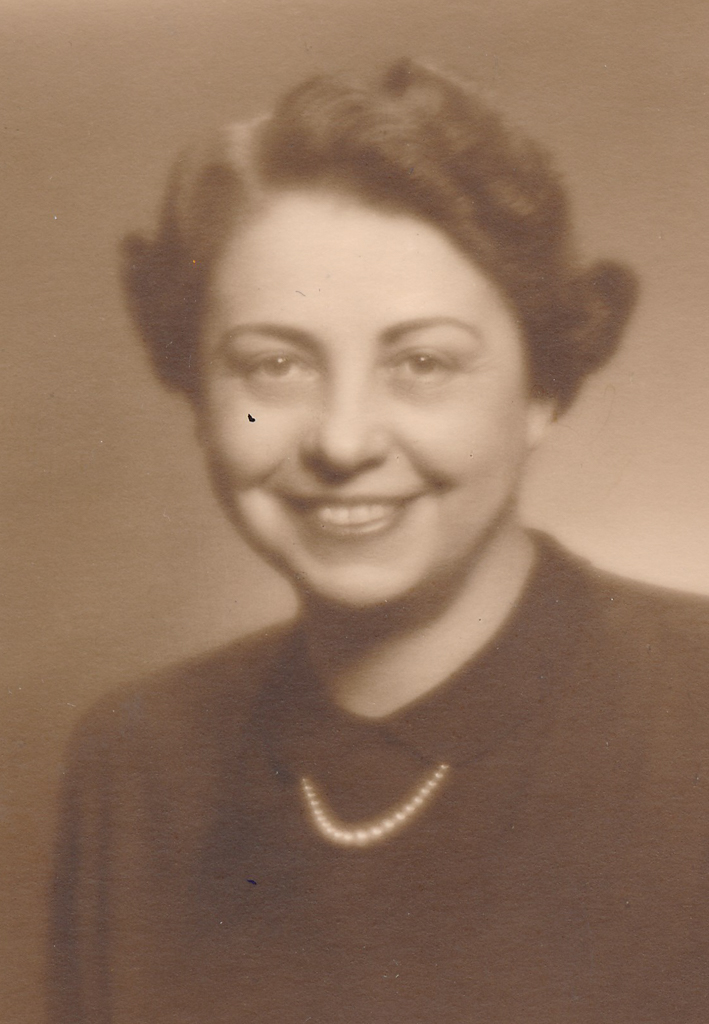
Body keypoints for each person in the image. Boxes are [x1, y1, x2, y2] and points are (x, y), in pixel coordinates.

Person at [48, 59, 709, 1023]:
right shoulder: (136, 764)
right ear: (195, 393)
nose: (344, 441)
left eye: (423, 362)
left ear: (542, 388)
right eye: (274, 366)